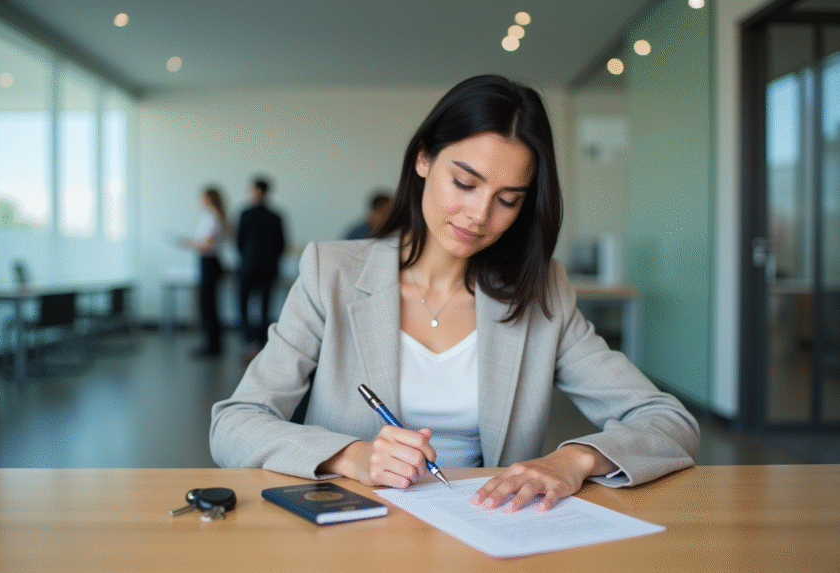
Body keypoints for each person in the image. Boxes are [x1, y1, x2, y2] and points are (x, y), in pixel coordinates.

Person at [210, 75, 699, 513]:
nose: (479, 215)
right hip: (353, 535)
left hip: (489, 531)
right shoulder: (331, 272)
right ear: (423, 158)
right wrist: (352, 455)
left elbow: (667, 421)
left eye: (508, 200)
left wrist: (575, 459)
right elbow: (235, 424)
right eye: (465, 183)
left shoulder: (541, 292)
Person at [236, 177, 286, 360]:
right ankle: (261, 342)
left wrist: (247, 258)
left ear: (257, 190)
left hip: (248, 266)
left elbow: (239, 241)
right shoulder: (276, 216)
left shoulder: (245, 213)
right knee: (265, 306)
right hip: (268, 267)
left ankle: (249, 341)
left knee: (243, 305)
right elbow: (281, 243)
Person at [180, 187, 230, 357]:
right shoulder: (214, 216)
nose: (200, 200)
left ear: (209, 199)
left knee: (208, 306)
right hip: (209, 263)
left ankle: (212, 346)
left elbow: (207, 244)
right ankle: (211, 343)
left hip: (210, 263)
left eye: (202, 197)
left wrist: (188, 243)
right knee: (208, 305)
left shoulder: (212, 217)